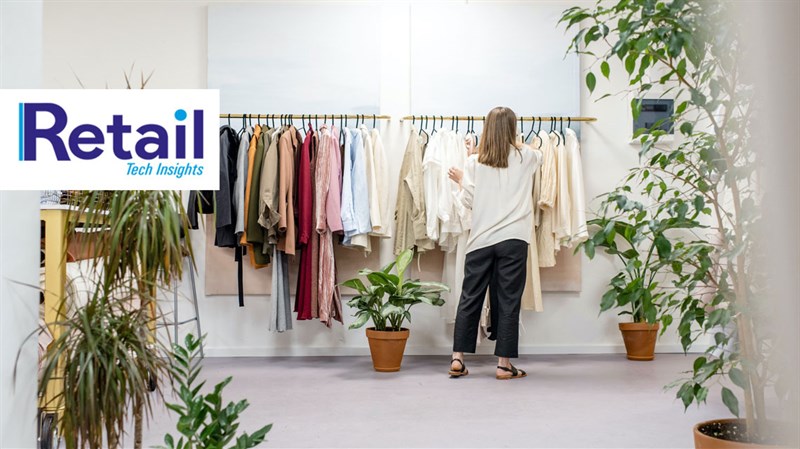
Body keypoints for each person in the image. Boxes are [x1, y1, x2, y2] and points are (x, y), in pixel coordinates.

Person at [447, 106, 542, 380]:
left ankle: (457, 359)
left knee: (470, 297)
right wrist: (514, 140)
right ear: (514, 129)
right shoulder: (526, 157)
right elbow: (540, 156)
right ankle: (503, 365)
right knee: (508, 300)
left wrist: (463, 181)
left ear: (485, 129)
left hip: (481, 239)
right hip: (514, 238)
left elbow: (469, 201)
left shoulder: (474, 163)